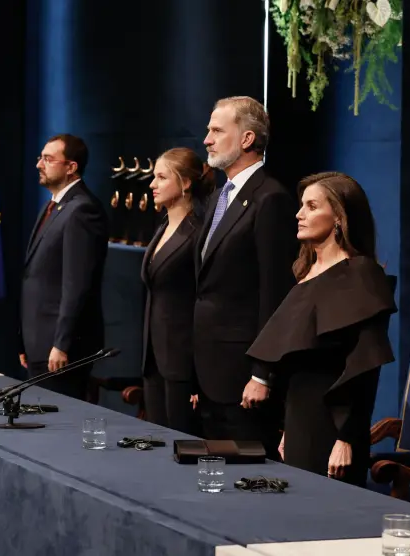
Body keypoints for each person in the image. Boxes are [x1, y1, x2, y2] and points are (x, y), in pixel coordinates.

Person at [247, 172, 396, 485]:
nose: (300, 214)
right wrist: (288, 427)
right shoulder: (305, 274)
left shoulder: (361, 275)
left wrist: (347, 439)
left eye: (312, 206)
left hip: (334, 426)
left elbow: (365, 369)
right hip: (300, 418)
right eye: (302, 206)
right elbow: (294, 360)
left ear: (339, 216)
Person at [192, 96, 297, 456]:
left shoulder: (270, 199)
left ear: (247, 139)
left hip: (243, 376)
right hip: (209, 371)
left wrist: (262, 373)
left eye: (217, 130)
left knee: (246, 480)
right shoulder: (221, 196)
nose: (207, 139)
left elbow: (275, 294)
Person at [19, 134, 108, 399]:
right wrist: (25, 339)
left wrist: (61, 344)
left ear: (71, 167)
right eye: (40, 158)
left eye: (48, 159)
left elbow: (76, 284)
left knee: (55, 428)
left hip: (59, 350)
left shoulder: (82, 210)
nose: (39, 164)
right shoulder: (55, 206)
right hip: (39, 343)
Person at [140, 147, 213, 434]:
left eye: (160, 177)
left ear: (185, 183)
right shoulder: (162, 226)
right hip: (154, 359)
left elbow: (201, 298)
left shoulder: (198, 232)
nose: (152, 184)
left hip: (183, 362)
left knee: (182, 444)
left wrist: (196, 374)